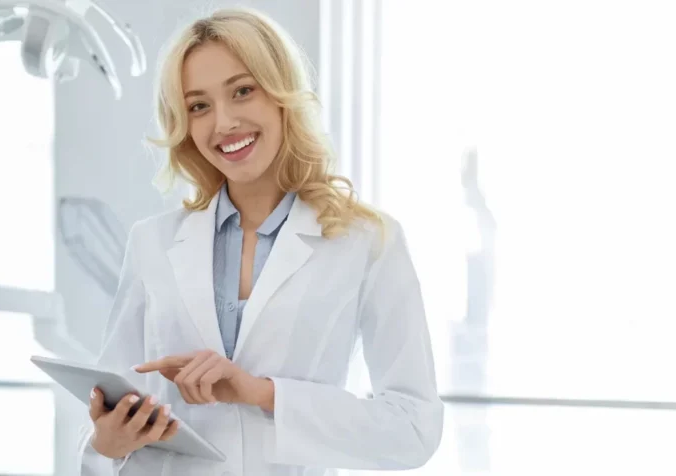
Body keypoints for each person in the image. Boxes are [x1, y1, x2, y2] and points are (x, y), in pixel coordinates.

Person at [78, 7, 443, 475]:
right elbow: (113, 410)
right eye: (199, 106)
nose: (224, 122)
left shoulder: (368, 243)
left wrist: (261, 393)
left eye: (243, 91)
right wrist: (106, 443)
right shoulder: (152, 243)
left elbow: (413, 429)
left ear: (282, 95)